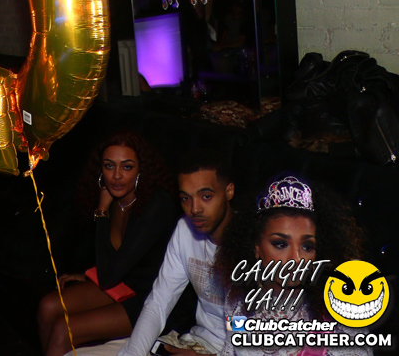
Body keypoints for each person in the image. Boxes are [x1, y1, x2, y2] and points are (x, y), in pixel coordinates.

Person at [37, 131, 179, 356]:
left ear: (141, 169)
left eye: (127, 167)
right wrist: (90, 273)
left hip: (152, 296)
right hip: (120, 282)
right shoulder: (115, 199)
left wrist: (102, 211)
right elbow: (112, 262)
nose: (117, 176)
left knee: (64, 330)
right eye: (109, 166)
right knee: (47, 307)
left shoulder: (157, 205)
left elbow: (110, 274)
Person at [214, 174, 370, 356]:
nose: (296, 259)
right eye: (280, 244)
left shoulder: (337, 310)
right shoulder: (238, 299)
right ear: (256, 248)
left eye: (307, 246)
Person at [117, 150, 235, 356]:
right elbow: (159, 302)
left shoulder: (258, 243)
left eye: (206, 196)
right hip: (197, 342)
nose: (194, 209)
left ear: (229, 192)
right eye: (185, 198)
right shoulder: (185, 230)